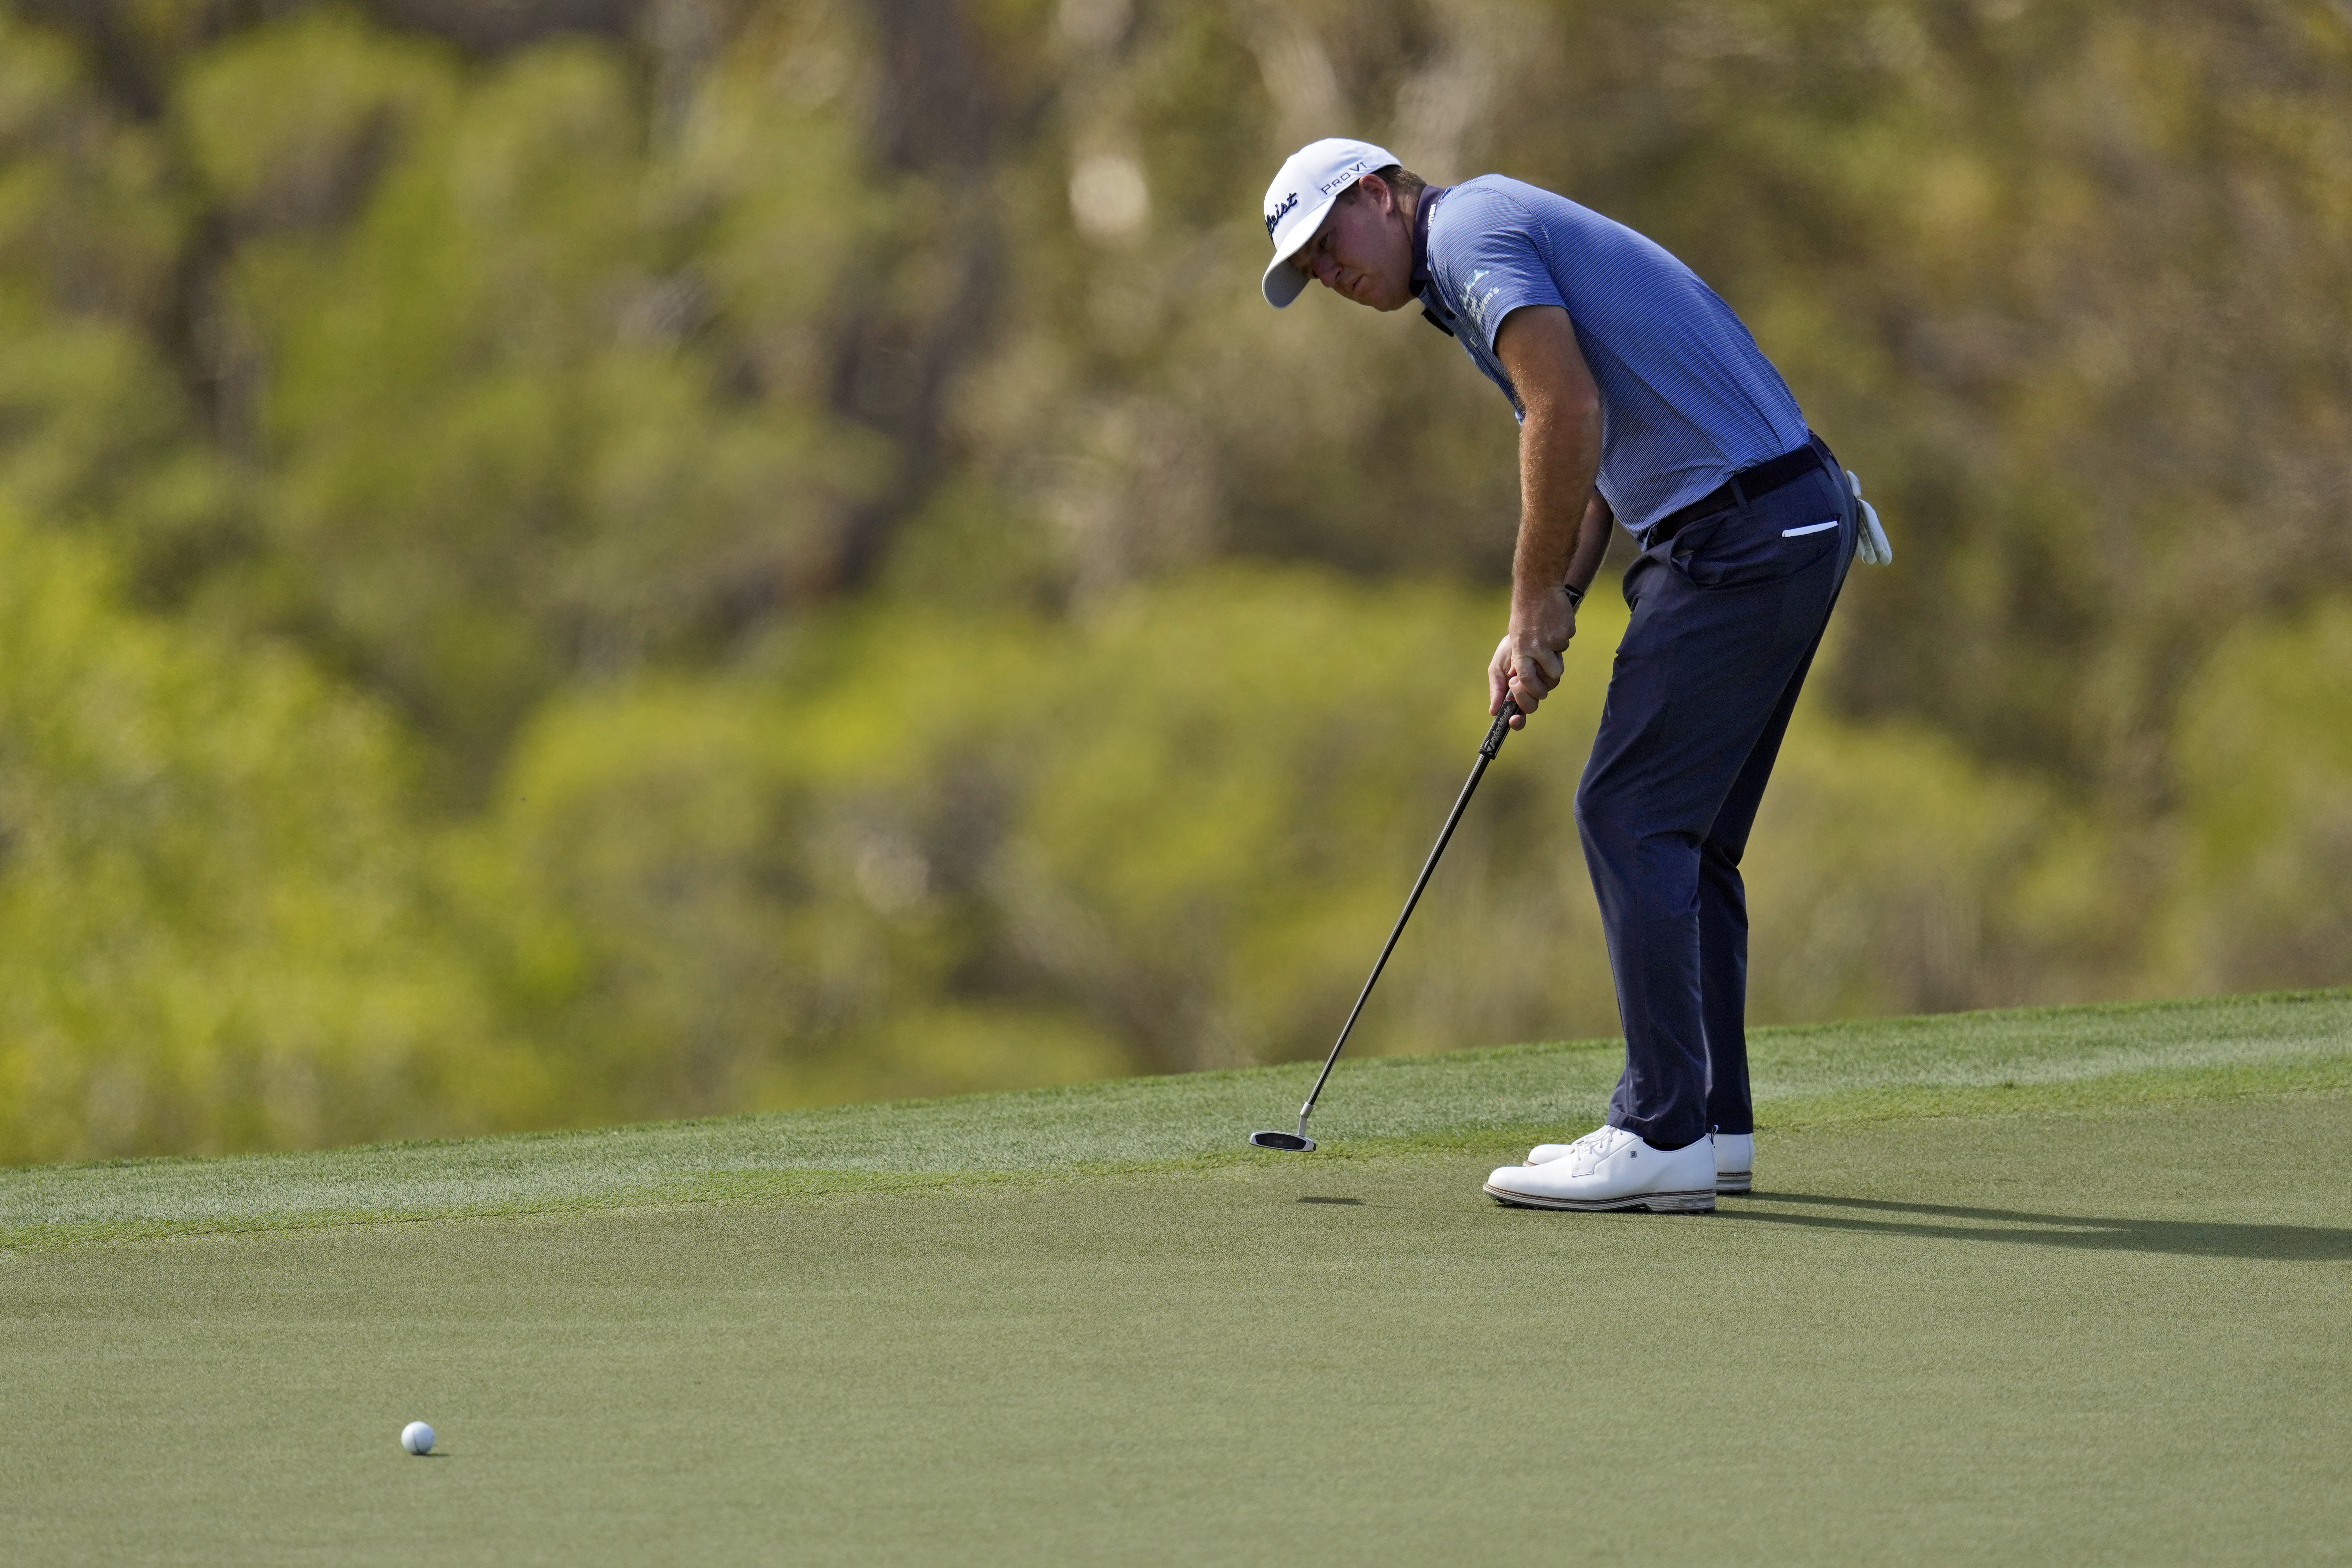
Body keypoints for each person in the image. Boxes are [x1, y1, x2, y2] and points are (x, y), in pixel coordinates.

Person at [1260, 137, 1887, 1213]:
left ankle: (1658, 1131)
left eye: (1327, 243)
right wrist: (1549, 614)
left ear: (1375, 193)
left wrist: (1527, 600)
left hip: (1742, 534)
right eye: (1306, 269)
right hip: (1786, 518)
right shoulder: (1462, 281)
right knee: (1684, 841)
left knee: (1628, 814)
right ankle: (1712, 1128)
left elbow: (1565, 414)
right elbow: (1589, 456)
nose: (1328, 273)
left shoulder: (1466, 233)